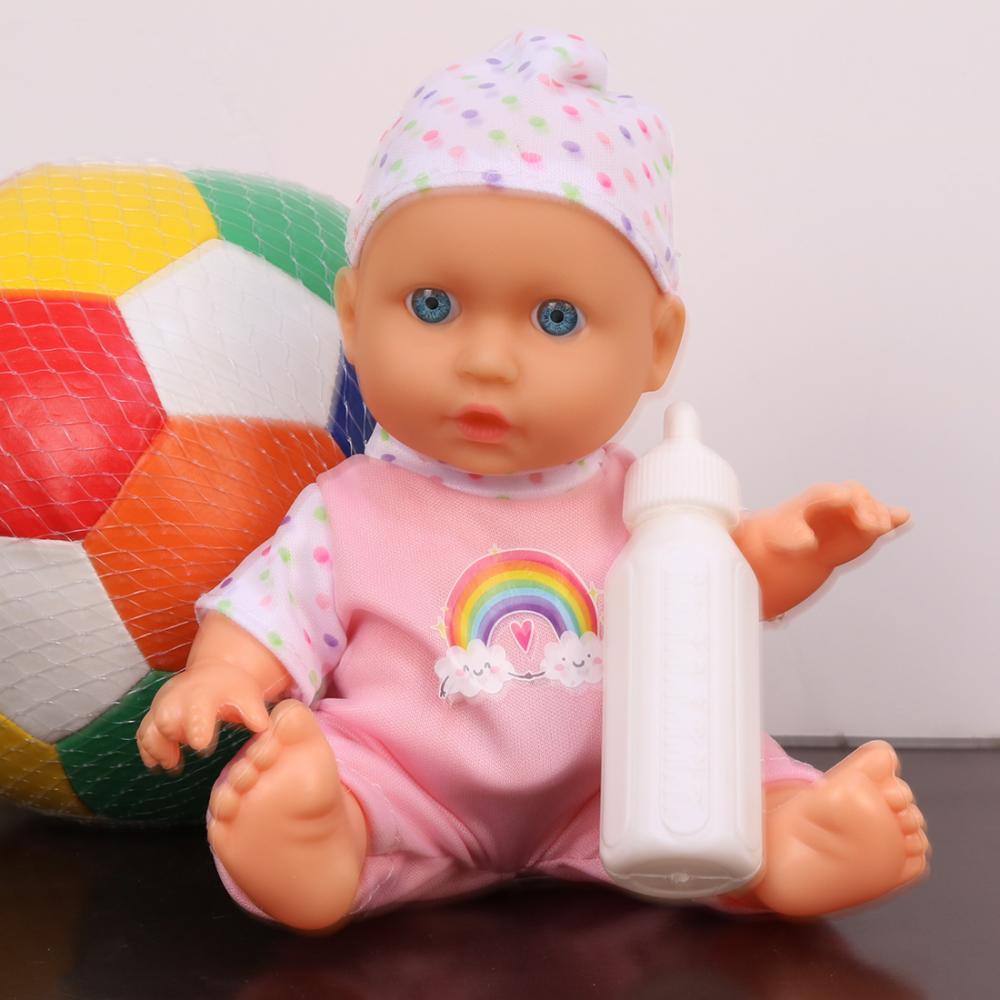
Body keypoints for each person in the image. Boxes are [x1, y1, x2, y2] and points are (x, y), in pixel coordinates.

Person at [137, 28, 928, 932]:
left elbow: (725, 587)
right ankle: (317, 842)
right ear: (352, 318)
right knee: (319, 773)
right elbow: (267, 614)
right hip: (411, 786)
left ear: (656, 345)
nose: (486, 360)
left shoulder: (649, 501)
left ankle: (796, 837)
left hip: (620, 785)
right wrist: (218, 675)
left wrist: (797, 550)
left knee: (726, 775)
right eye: (433, 305)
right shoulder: (347, 510)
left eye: (555, 318)